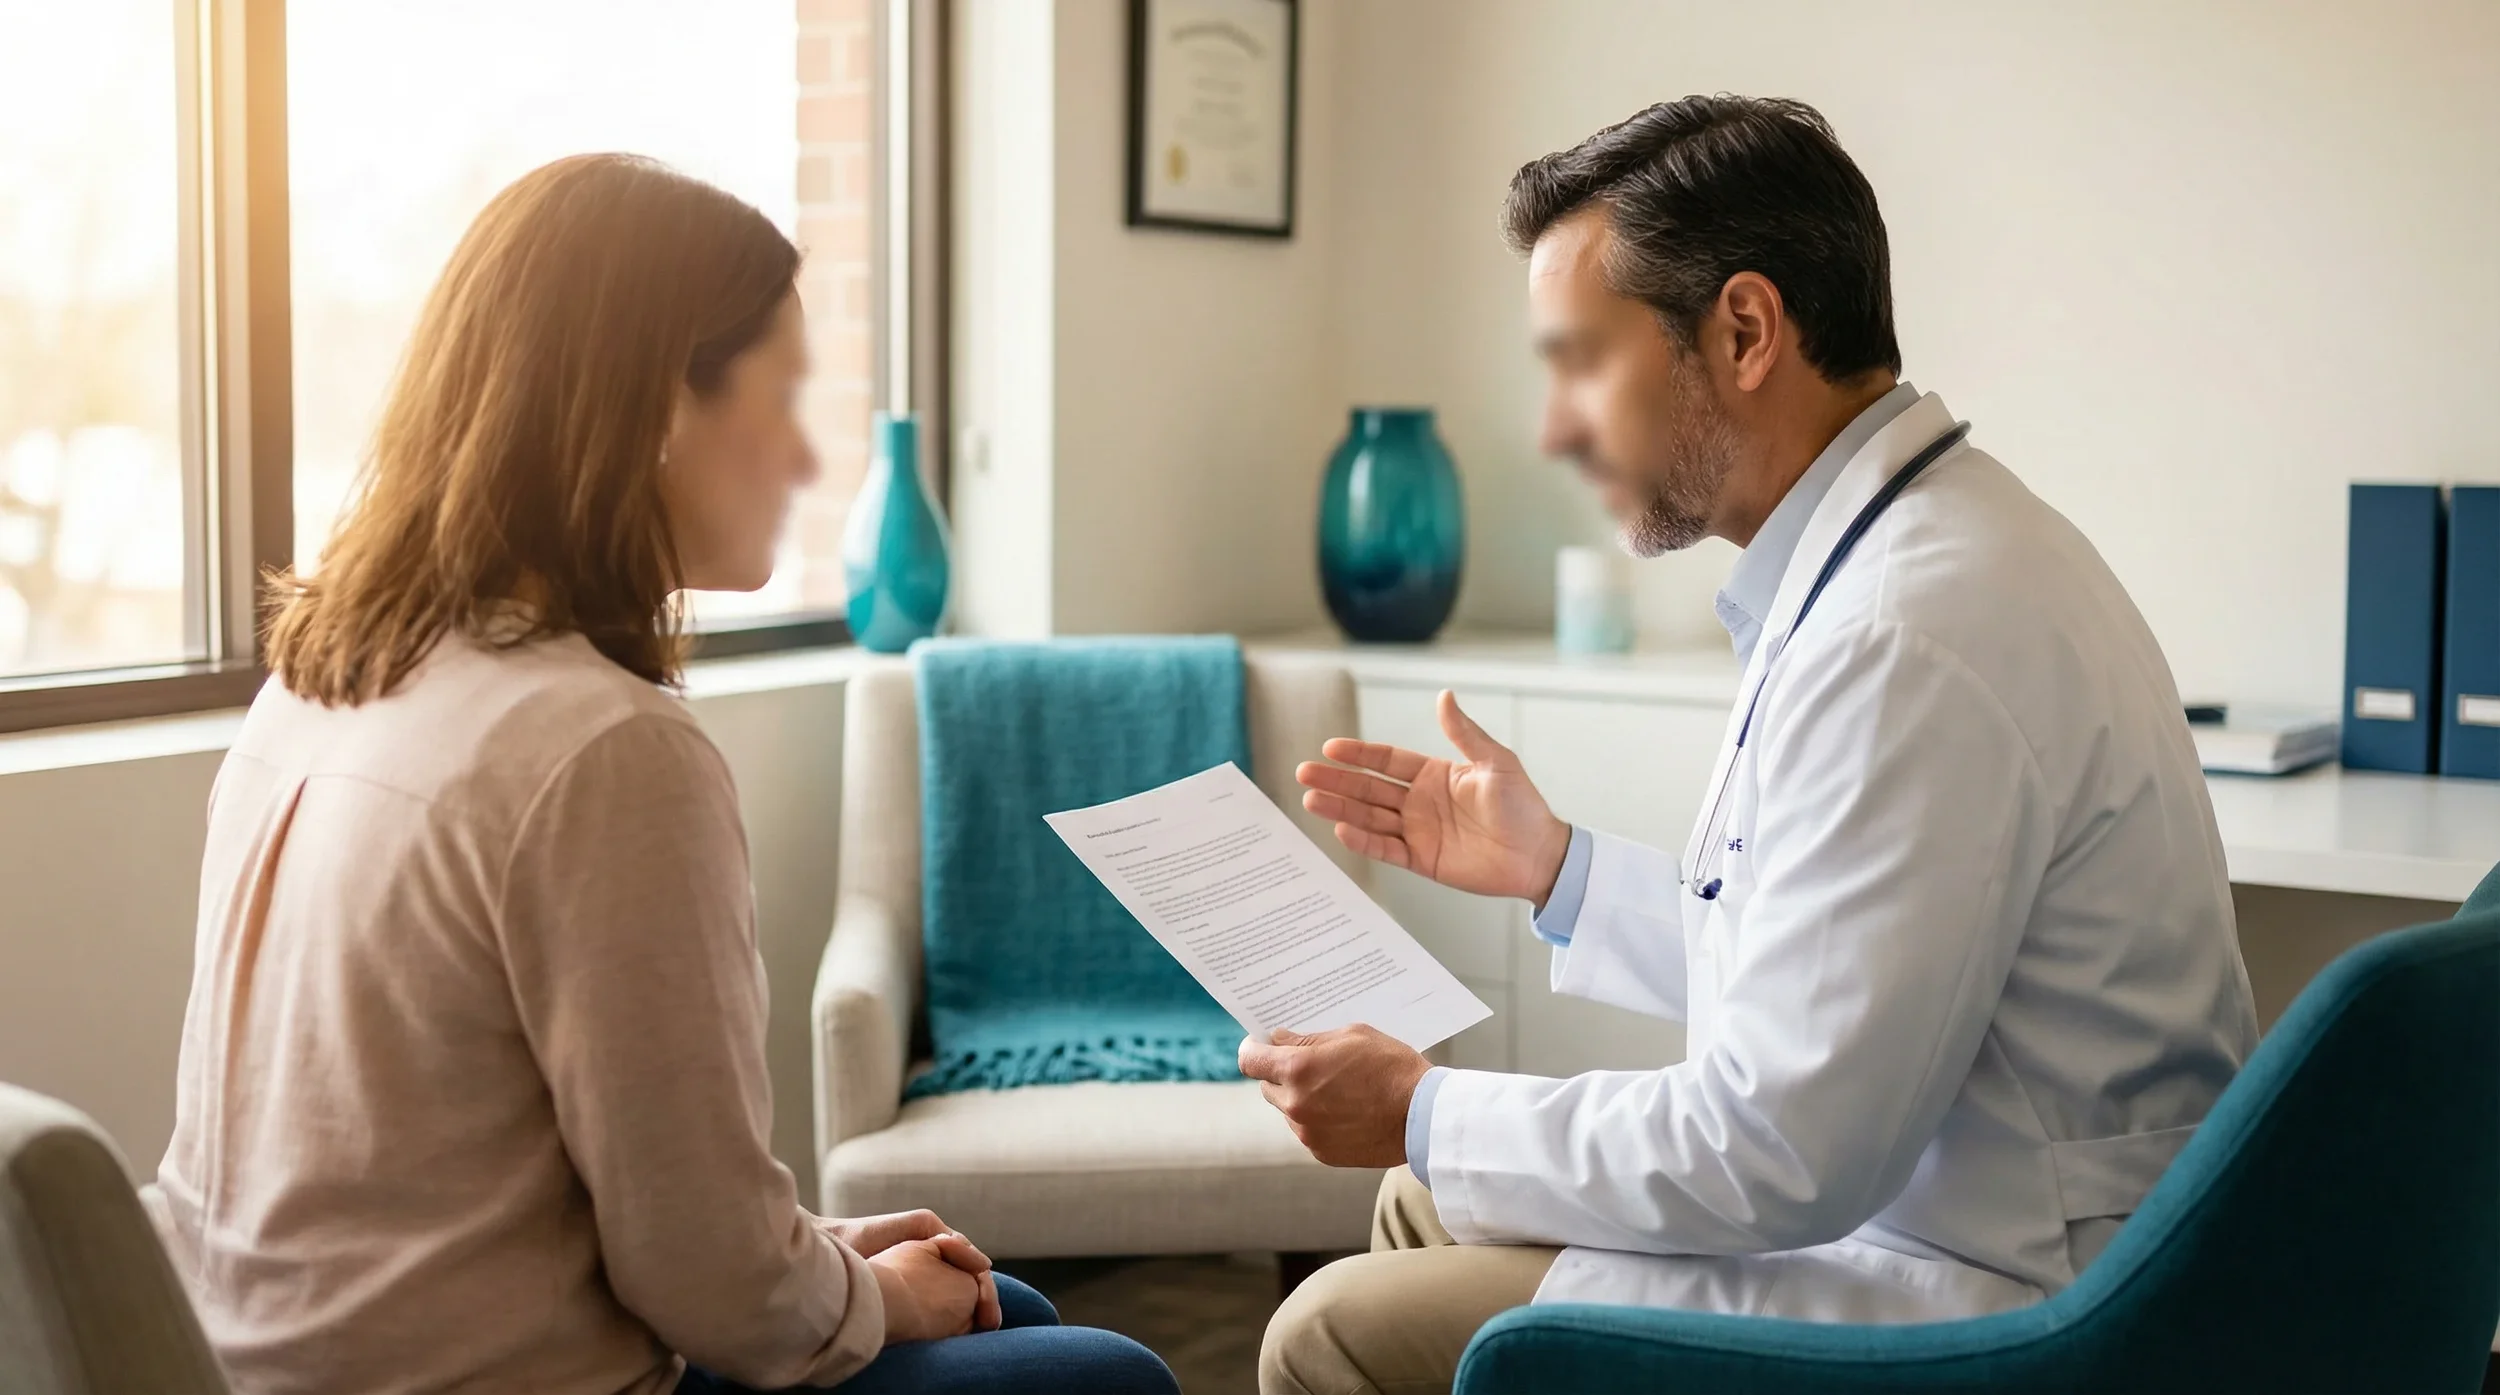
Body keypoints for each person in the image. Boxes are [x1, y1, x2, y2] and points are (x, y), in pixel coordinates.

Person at [1245, 96, 2259, 1395]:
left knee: (1324, 1329)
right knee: (1420, 1204)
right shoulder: (1915, 553)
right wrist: (1557, 871)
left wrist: (1426, 1103)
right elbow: (1837, 976)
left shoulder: (1903, 630)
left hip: (2010, 1299)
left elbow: (1779, 1142)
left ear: (1742, 328)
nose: (1552, 426)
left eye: (1579, 359)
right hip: (1946, 1213)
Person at [144, 153, 1176, 1395]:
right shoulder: (606, 748)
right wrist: (845, 1289)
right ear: (657, 410)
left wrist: (830, 1263)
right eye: (783, 398)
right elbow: (714, 1288)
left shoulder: (320, 681)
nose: (804, 460)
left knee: (992, 1302)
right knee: (1104, 1373)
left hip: (278, 1359)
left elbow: (522, 1188)